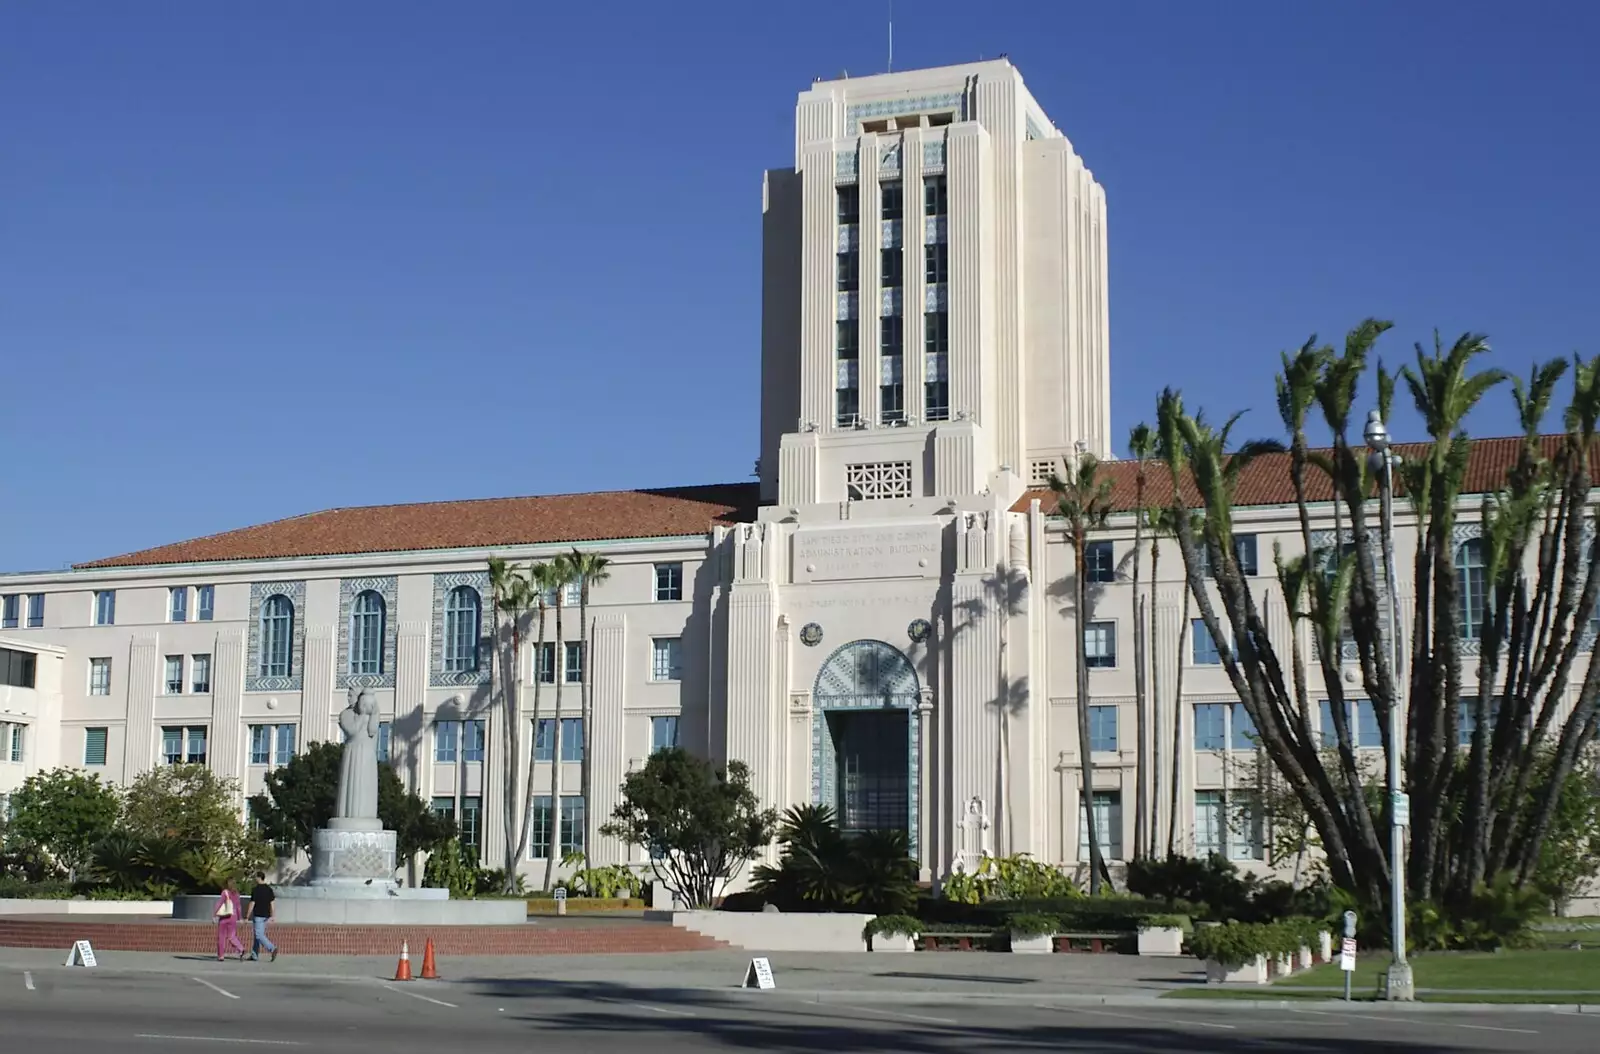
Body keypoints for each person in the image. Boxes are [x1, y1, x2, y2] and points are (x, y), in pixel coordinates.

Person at [245, 871, 278, 962]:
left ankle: (272, 948)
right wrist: (272, 915)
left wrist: (247, 916)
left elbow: (252, 903)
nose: (255, 879)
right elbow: (272, 903)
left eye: (255, 877)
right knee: (258, 935)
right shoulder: (269, 889)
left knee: (258, 935)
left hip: (258, 915)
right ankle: (254, 955)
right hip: (266, 915)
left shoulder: (255, 890)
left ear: (259, 878)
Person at [213, 877, 246, 961]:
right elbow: (239, 906)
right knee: (231, 936)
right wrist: (240, 917)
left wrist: (215, 915)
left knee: (221, 936)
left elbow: (220, 903)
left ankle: (221, 955)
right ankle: (241, 948)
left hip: (224, 916)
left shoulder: (225, 892)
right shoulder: (237, 894)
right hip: (233, 917)